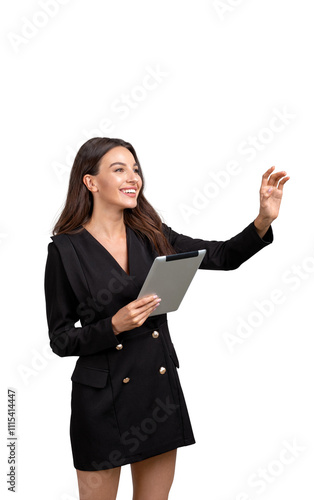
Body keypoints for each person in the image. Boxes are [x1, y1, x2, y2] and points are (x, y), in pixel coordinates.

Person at [44, 137, 289, 500]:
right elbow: (61, 339)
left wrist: (262, 221)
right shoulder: (65, 250)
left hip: (154, 395)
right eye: (119, 169)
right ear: (90, 182)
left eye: (136, 169)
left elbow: (221, 257)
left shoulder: (152, 233)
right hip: (99, 402)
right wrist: (113, 326)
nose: (133, 178)